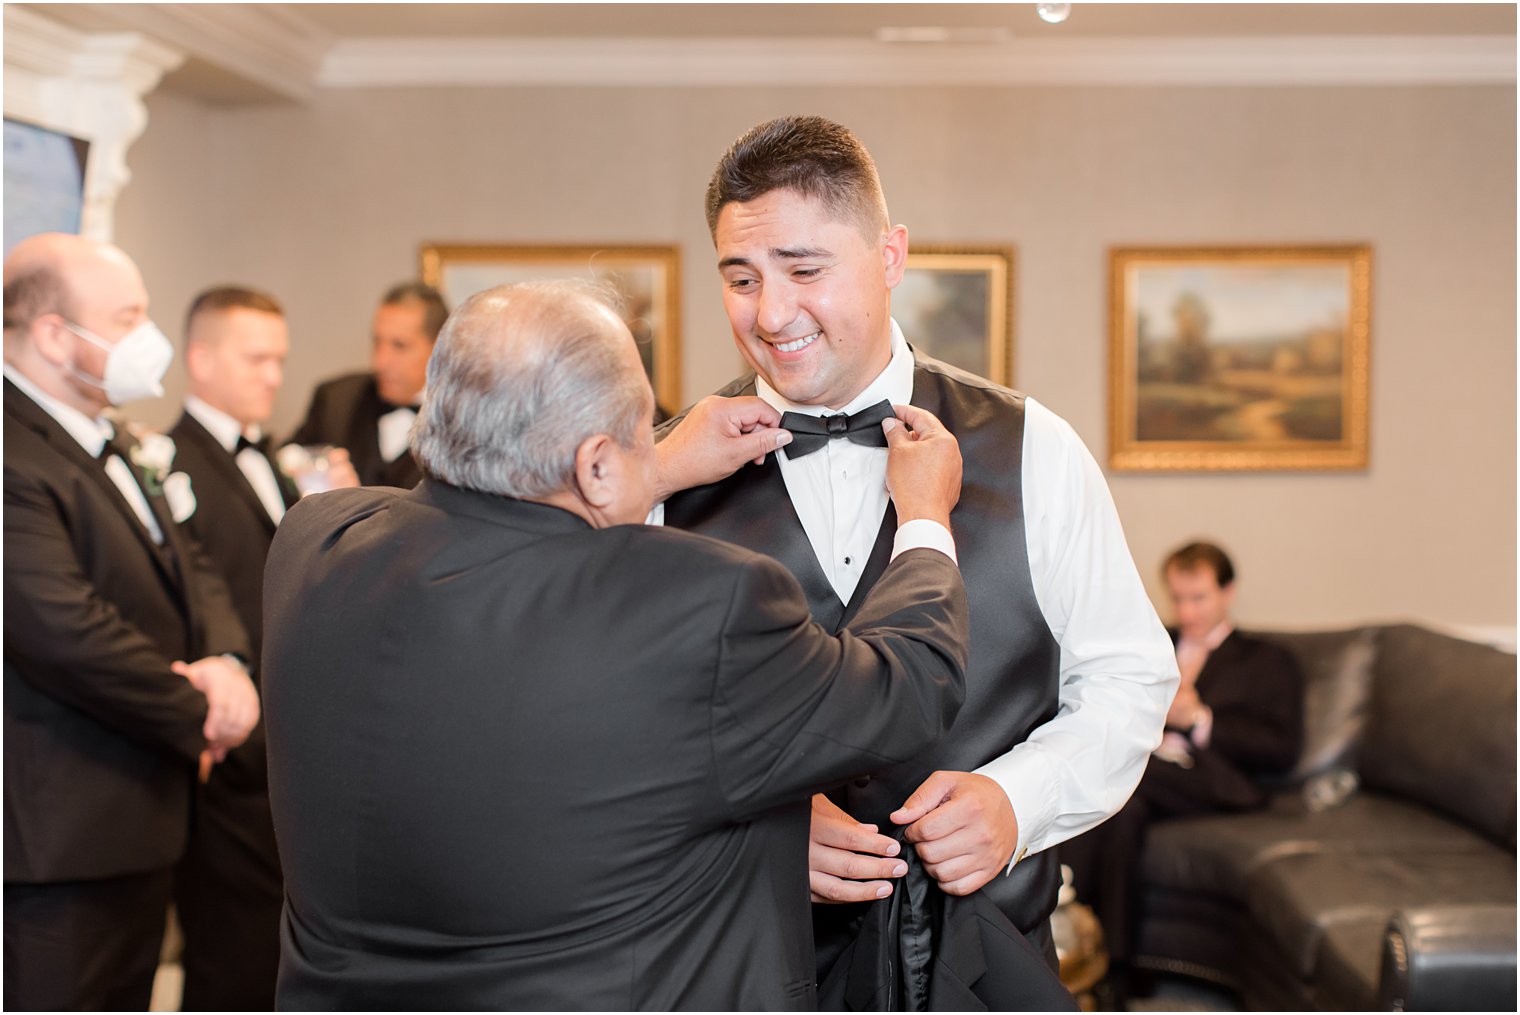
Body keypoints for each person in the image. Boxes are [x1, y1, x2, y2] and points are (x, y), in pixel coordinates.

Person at [261, 279, 975, 1010]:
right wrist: (923, 514)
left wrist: (652, 465)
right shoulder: (699, 603)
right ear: (597, 465)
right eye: (645, 431)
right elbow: (908, 685)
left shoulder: (314, 543)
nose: (656, 443)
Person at [656, 115, 1179, 994]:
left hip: (982, 964)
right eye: (741, 277)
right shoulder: (666, 472)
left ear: (891, 256)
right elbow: (611, 719)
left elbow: (1129, 681)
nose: (771, 313)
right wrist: (751, 824)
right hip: (744, 970)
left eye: (805, 269)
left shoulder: (1034, 448)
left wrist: (1019, 798)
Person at [3, 233, 261, 1010]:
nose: (147, 340)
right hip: (58, 837)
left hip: (143, 820)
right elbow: (61, 629)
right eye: (128, 316)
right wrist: (203, 711)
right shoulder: (13, 453)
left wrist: (226, 659)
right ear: (53, 335)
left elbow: (194, 566)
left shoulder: (110, 437)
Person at [1059, 540, 1304, 993]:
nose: (1187, 612)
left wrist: (1198, 719)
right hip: (1146, 772)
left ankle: (1063, 911)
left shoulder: (1267, 660)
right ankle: (1112, 968)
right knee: (1123, 812)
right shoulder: (1150, 645)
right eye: (1178, 598)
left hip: (1212, 777)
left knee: (1111, 772)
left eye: (1199, 598)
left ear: (1228, 593)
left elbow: (1280, 748)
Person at [167, 285, 307, 1009]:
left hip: (283, 758)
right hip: (232, 763)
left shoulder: (276, 461)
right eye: (256, 358)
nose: (273, 376)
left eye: (279, 359)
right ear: (201, 359)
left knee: (270, 961)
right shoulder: (172, 467)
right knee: (229, 966)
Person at [286, 281, 447, 487]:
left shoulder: (464, 418)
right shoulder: (336, 400)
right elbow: (287, 461)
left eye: (399, 346)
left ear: (439, 348)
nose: (380, 361)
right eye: (377, 342)